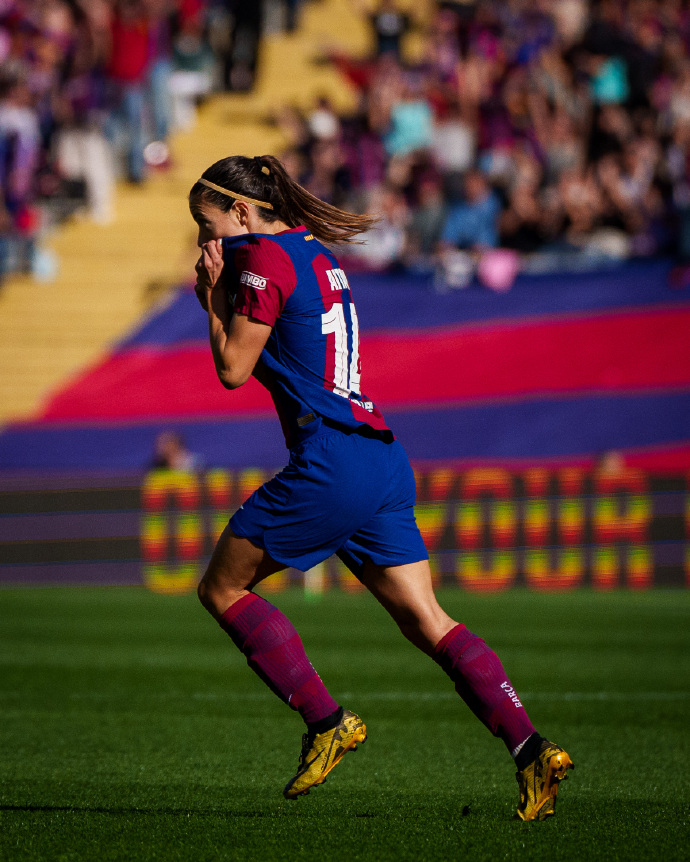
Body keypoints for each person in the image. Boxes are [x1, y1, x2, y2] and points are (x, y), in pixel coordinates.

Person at [189, 153, 574, 819]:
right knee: (428, 621)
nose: (205, 239)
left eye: (208, 223)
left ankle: (326, 722)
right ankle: (532, 749)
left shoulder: (260, 260)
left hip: (331, 459)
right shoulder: (315, 253)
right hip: (381, 455)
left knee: (221, 589)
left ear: (243, 213)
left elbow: (231, 369)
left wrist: (211, 298)